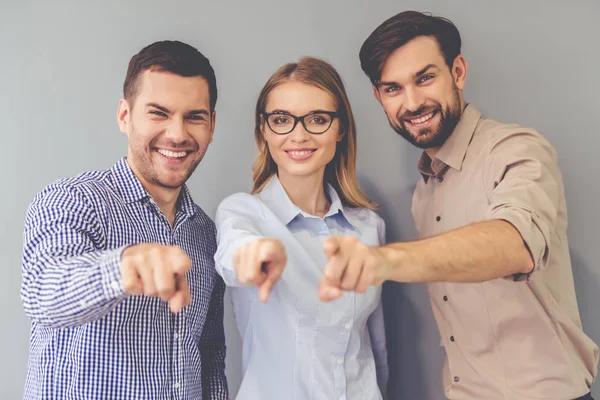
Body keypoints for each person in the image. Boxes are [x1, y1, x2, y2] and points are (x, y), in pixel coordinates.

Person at [318, 10, 599, 400]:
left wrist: (382, 261)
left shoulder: (517, 150)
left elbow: (513, 244)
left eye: (425, 78)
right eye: (393, 89)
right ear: (378, 97)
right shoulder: (426, 190)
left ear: (459, 72)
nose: (412, 102)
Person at [21, 40, 228, 400]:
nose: (177, 134)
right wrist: (124, 266)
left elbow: (209, 355)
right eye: (158, 113)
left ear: (211, 125)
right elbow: (43, 292)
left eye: (194, 116)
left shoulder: (206, 234)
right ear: (124, 116)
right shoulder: (72, 200)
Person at [214, 57, 388, 399]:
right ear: (263, 129)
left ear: (340, 130)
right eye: (281, 120)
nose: (299, 135)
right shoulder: (243, 212)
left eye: (317, 119)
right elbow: (235, 252)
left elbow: (375, 345)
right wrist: (254, 257)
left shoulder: (371, 227)